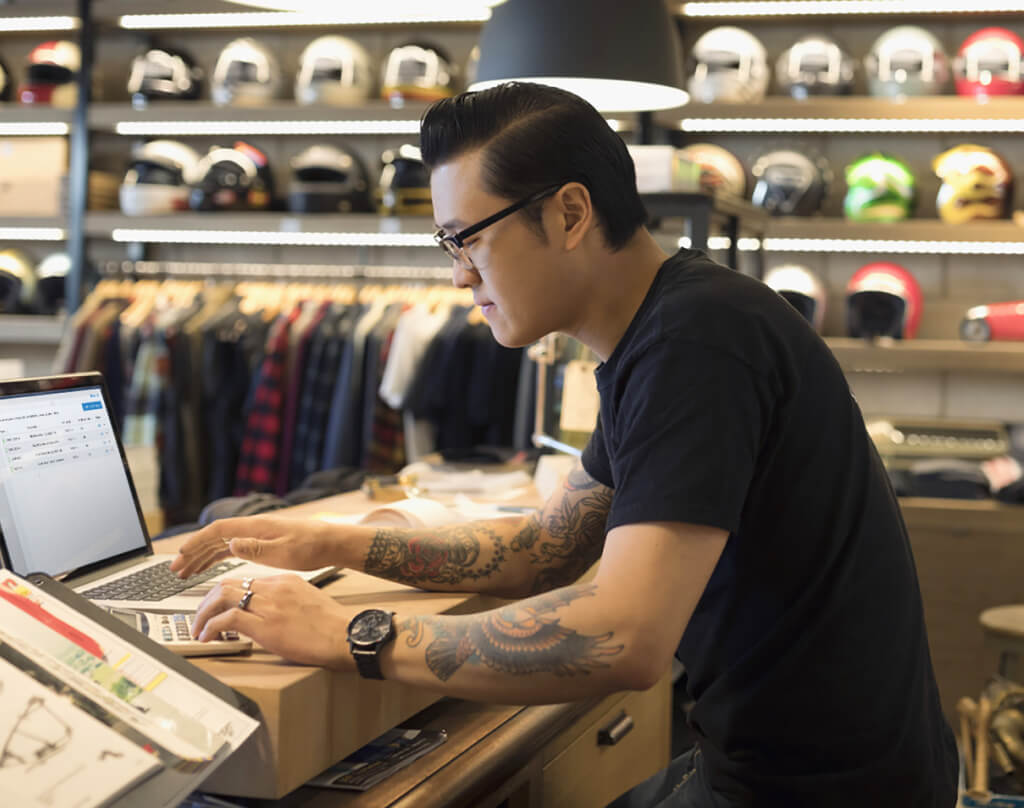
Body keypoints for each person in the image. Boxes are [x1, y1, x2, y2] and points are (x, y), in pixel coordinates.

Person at [173, 82, 958, 806]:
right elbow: (547, 548)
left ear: (571, 214)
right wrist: (324, 540)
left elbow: (621, 635)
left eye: (466, 240)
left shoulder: (698, 341)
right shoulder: (662, 331)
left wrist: (345, 631)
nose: (457, 277)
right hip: (791, 767)